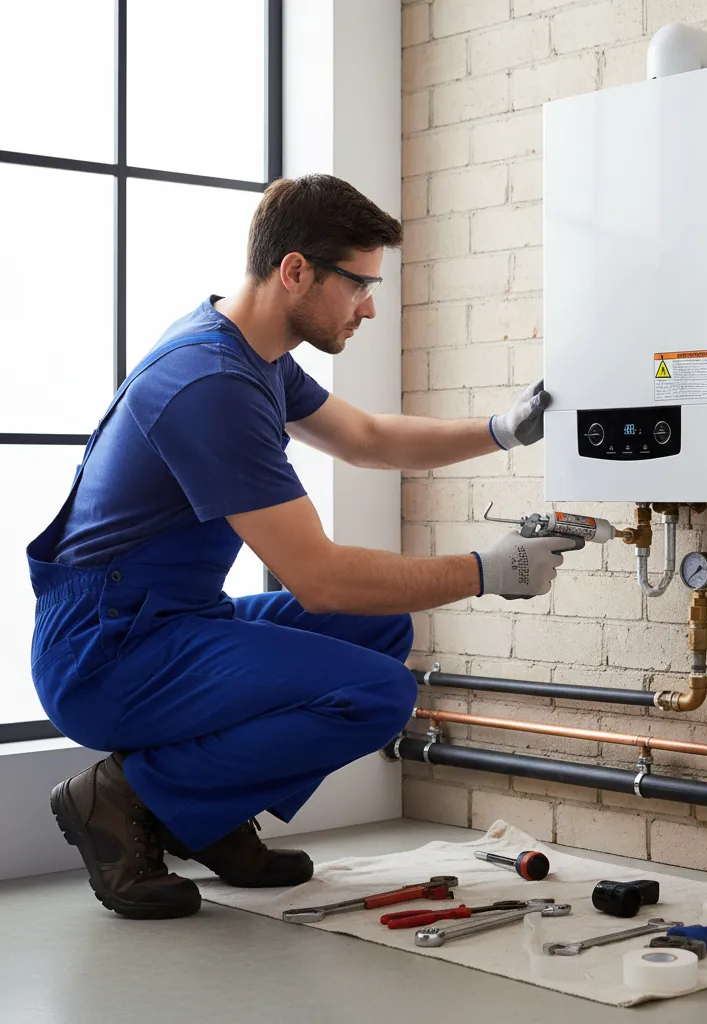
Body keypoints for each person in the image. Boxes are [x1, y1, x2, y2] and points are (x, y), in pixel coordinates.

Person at [28, 174, 573, 920]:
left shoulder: (253, 355)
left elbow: (368, 439)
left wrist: (502, 430)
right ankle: (125, 796)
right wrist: (488, 571)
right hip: (106, 654)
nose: (371, 305)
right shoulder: (209, 385)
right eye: (358, 285)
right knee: (380, 693)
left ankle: (211, 814)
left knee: (381, 630)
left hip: (170, 621)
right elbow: (319, 578)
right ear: (295, 271)